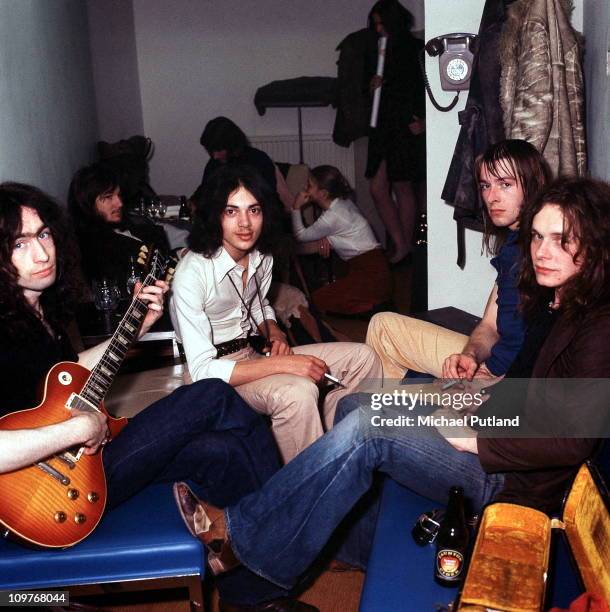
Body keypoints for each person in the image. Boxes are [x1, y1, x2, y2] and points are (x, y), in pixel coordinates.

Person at [174, 176, 610, 590]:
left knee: (369, 430)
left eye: (561, 239)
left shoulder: (599, 322)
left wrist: (478, 441)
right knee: (353, 407)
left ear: (591, 245)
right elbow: (531, 385)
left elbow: (575, 441)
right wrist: (482, 396)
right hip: (497, 421)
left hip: (511, 475)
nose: (542, 251)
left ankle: (240, 531)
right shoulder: (555, 299)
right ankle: (356, 547)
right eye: (537, 237)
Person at [0, 182, 316, 612]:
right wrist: (79, 426)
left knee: (221, 451)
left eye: (43, 234)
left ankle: (252, 598)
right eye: (19, 242)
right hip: (44, 495)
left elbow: (68, 373)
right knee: (210, 394)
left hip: (79, 463)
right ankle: (284, 535)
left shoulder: (36, 311)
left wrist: (135, 330)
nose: (40, 253)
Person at [170, 165, 382, 463]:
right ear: (215, 214)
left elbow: (258, 304)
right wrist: (286, 364)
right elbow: (204, 369)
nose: (245, 223)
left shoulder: (261, 256)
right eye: (232, 211)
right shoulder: (191, 273)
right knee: (298, 391)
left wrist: (274, 330)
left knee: (364, 358)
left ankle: (340, 452)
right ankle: (304, 485)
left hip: (252, 354)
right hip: (213, 375)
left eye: (254, 210)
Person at [367, 139, 551, 381]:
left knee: (383, 391)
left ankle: (398, 407)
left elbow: (540, 348)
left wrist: (497, 380)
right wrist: (470, 356)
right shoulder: (512, 244)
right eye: (485, 185)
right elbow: (489, 325)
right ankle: (395, 404)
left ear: (532, 185)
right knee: (383, 326)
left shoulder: (542, 252)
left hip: (506, 378)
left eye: (505, 184)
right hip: (489, 361)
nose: (491, 197)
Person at [366, 0, 426, 263]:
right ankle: (401, 242)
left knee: (403, 186)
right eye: (375, 24)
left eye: (382, 23)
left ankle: (404, 248)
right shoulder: (375, 49)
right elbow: (370, 93)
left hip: (404, 127)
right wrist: (372, 86)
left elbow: (422, 89)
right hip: (382, 127)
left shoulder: (413, 49)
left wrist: (423, 122)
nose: (379, 29)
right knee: (377, 187)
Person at [291, 165, 391, 314]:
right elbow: (338, 229)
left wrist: (296, 207)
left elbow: (300, 236)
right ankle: (372, 304)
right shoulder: (343, 203)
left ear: (323, 194)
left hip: (371, 274)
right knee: (324, 300)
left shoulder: (332, 217)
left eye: (310, 185)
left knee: (315, 301)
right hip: (375, 269)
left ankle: (373, 307)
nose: (305, 188)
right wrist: (326, 236)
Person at [68, 162, 169, 295]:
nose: (119, 203)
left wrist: (180, 253)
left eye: (119, 195)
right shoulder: (93, 248)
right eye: (108, 197)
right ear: (87, 204)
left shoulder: (123, 224)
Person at [199, 116, 277, 194]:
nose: (215, 156)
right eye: (210, 151)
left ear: (231, 145)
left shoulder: (258, 161)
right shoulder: (214, 163)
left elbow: (267, 197)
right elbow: (203, 191)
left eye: (219, 150)